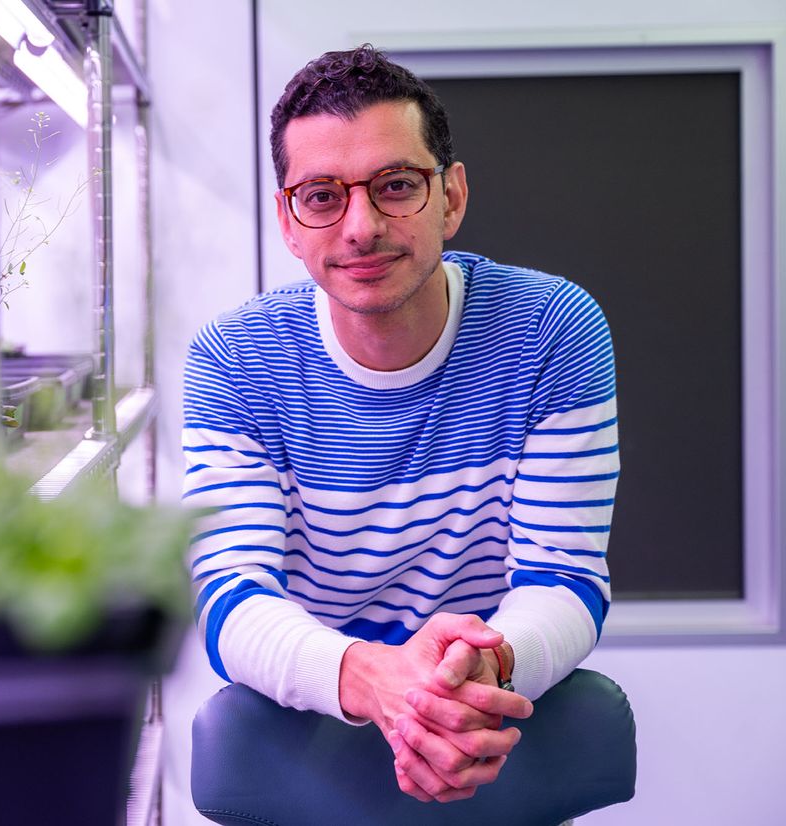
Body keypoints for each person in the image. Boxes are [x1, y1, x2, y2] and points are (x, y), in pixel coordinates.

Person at [183, 44, 619, 806]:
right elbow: (231, 596)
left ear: (450, 197)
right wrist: (381, 682)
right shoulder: (234, 360)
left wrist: (475, 675)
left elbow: (564, 577)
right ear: (288, 220)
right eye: (321, 195)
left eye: (395, 186)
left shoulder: (552, 330)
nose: (361, 226)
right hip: (315, 728)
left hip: (483, 716)